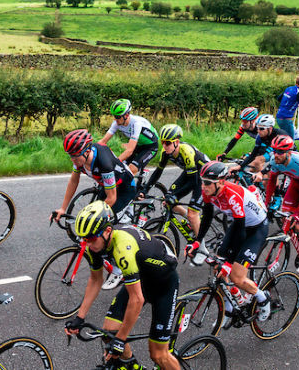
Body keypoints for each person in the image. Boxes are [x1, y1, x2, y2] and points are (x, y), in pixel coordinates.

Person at [65, 201, 181, 370]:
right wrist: (79, 318)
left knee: (158, 355)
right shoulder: (95, 245)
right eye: (84, 239)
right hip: (141, 278)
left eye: (91, 239)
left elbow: (137, 299)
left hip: (164, 284)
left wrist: (121, 339)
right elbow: (95, 280)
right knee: (108, 332)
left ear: (108, 231)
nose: (87, 244)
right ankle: (134, 367)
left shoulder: (123, 248)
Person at [53, 129, 138, 290]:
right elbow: (73, 181)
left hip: (124, 190)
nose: (72, 159)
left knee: (105, 227)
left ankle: (119, 269)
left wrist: (97, 218)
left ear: (86, 151)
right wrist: (63, 208)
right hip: (107, 187)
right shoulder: (79, 158)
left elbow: (112, 198)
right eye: (70, 155)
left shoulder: (103, 163)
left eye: (74, 155)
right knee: (94, 225)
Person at [195, 161, 272, 323]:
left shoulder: (232, 196)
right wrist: (197, 242)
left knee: (237, 277)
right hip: (239, 225)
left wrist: (230, 262)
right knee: (219, 270)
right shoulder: (208, 191)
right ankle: (229, 309)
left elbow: (240, 231)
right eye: (202, 181)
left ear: (221, 182)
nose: (203, 186)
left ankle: (262, 298)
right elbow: (207, 217)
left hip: (256, 229)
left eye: (207, 182)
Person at [143, 124, 212, 265]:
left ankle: (203, 250)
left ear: (176, 142)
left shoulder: (186, 151)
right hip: (190, 173)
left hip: (204, 177)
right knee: (169, 203)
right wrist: (145, 189)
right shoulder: (165, 152)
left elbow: (194, 182)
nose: (165, 146)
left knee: (192, 213)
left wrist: (175, 196)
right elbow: (158, 172)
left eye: (167, 143)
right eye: (162, 142)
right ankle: (195, 223)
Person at [262, 135, 299, 273]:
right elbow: (271, 182)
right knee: (285, 219)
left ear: (289, 153)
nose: (276, 154)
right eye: (274, 150)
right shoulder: (274, 160)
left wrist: (297, 213)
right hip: (295, 184)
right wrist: (265, 203)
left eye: (280, 152)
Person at [99, 99, 159, 176]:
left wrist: (115, 162)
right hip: (139, 145)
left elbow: (130, 150)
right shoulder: (117, 122)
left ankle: (131, 185)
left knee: (130, 170)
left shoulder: (136, 123)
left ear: (126, 115)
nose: (115, 119)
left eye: (117, 116)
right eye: (114, 116)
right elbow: (103, 141)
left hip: (151, 147)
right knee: (120, 169)